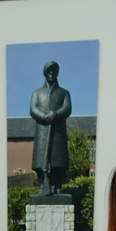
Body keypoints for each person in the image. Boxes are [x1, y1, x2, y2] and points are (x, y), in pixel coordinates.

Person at [30, 60, 72, 196]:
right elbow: (33, 108)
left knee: (58, 159)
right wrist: (44, 116)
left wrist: (56, 114)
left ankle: (58, 185)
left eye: (54, 70)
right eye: (49, 70)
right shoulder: (36, 93)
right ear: (45, 73)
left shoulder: (64, 92)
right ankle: (43, 184)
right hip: (42, 131)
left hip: (58, 130)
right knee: (41, 158)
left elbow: (67, 108)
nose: (52, 73)